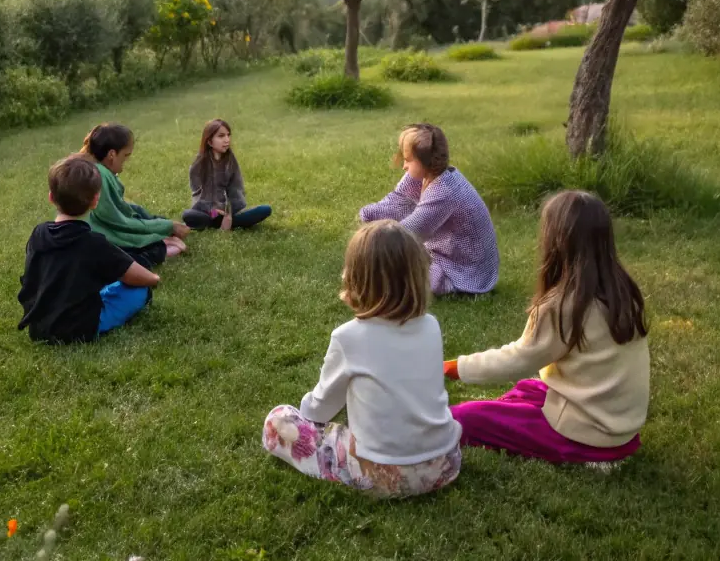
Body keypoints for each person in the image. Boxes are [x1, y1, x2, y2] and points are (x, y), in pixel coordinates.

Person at [447, 190, 649, 465]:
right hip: (622, 432)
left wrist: (457, 368)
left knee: (462, 418)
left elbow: (517, 359)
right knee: (528, 389)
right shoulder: (623, 290)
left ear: (556, 242)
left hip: (584, 437)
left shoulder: (563, 305)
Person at [262, 220, 462, 498]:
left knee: (279, 419)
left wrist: (302, 416)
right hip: (445, 464)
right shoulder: (431, 326)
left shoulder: (349, 337)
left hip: (383, 475)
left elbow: (318, 411)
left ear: (355, 278)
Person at [18, 154, 160, 344]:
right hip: (79, 328)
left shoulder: (38, 234)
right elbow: (142, 278)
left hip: (39, 326)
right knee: (138, 291)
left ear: (51, 197)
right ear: (95, 201)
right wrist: (154, 278)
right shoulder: (93, 243)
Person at [359, 123, 498, 297]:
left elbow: (409, 233)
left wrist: (372, 238)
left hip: (464, 268)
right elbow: (398, 200)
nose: (404, 166)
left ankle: (447, 285)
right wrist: (369, 213)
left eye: (408, 160)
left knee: (401, 273)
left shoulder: (444, 190)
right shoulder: (423, 174)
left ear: (427, 161)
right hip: (442, 252)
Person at [81, 122, 190, 267]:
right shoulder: (99, 174)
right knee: (150, 252)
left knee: (138, 211)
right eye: (126, 156)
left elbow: (124, 210)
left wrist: (165, 226)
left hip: (104, 233)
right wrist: (167, 227)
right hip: (102, 238)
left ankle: (162, 239)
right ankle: (161, 243)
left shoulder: (100, 170)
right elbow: (118, 221)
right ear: (112, 154)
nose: (126, 161)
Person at [183, 118, 272, 231]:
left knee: (265, 209)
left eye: (228, 135)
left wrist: (228, 213)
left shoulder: (231, 160)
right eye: (221, 136)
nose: (227, 140)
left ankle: (224, 223)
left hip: (227, 212)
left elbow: (236, 190)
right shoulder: (199, 164)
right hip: (208, 213)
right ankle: (217, 223)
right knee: (188, 215)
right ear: (209, 141)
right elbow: (197, 193)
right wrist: (213, 211)